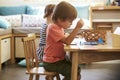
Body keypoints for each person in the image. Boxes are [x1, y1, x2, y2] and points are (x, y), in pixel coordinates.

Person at [43, 1, 84, 80]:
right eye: (70, 21)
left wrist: (74, 36)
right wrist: (77, 28)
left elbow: (66, 37)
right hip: (52, 62)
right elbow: (67, 41)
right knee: (74, 73)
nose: (71, 24)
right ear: (60, 19)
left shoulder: (59, 28)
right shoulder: (52, 28)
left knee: (76, 69)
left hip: (59, 59)